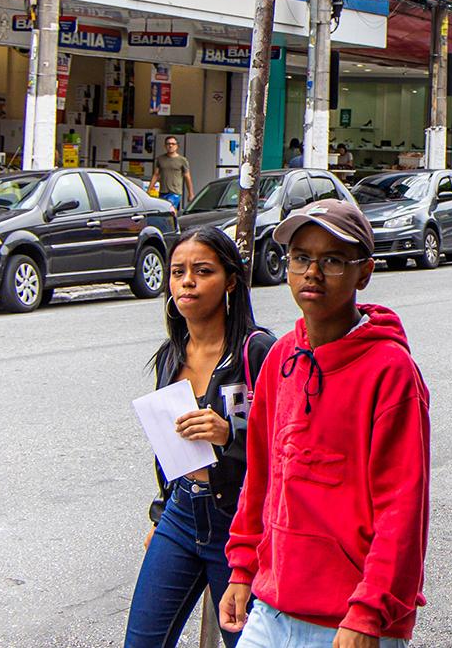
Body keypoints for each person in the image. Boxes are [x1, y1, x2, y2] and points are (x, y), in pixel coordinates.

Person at [220, 200, 430, 647]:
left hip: (348, 621)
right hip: (271, 609)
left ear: (364, 273)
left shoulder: (390, 372)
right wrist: (242, 567)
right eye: (301, 258)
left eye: (332, 260)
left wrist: (368, 612)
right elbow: (262, 476)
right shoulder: (280, 358)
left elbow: (401, 507)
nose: (312, 272)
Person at [125, 228, 276, 648]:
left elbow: (288, 444)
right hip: (181, 513)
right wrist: (161, 512)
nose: (186, 281)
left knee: (247, 643)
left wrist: (230, 435)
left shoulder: (257, 351)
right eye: (177, 272)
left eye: (202, 270)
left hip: (240, 523)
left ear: (230, 281)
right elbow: (167, 449)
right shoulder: (171, 354)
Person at [151, 137, 194, 212]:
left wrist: (191, 194)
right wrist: (149, 189)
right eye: (168, 144)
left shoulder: (182, 160)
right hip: (163, 191)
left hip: (175, 192)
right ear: (165, 146)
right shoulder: (160, 159)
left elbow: (187, 177)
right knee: (163, 212)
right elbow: (156, 175)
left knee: (170, 210)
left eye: (173, 144)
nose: (170, 146)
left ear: (177, 146)